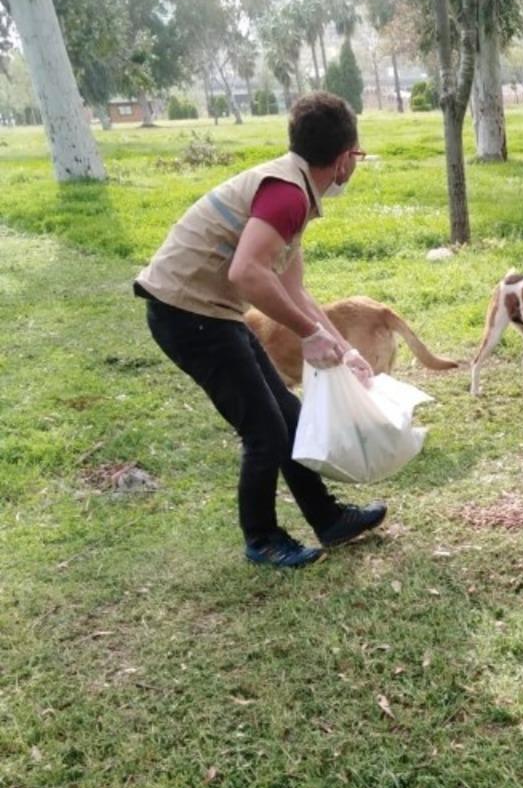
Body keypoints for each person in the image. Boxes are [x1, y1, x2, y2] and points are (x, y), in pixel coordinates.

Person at [134, 91, 385, 569]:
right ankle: (262, 539)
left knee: (288, 415)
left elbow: (294, 289)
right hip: (185, 312)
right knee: (265, 430)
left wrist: (340, 347)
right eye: (358, 153)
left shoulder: (294, 190)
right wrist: (309, 335)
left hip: (209, 310)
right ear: (341, 159)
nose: (356, 163)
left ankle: (328, 519)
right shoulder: (287, 194)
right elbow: (247, 274)